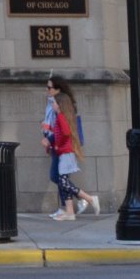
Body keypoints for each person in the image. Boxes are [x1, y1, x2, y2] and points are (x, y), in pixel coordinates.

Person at [46, 77, 99, 221]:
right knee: (62, 180)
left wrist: (56, 144)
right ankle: (69, 212)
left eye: (49, 88)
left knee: (62, 180)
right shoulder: (59, 113)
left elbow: (66, 132)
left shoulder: (62, 115)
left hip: (65, 151)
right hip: (63, 151)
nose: (47, 91)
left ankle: (88, 198)